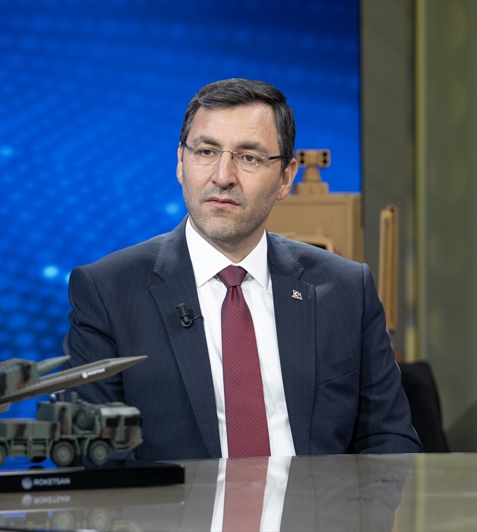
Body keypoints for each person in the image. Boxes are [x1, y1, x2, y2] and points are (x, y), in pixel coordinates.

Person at [63, 78, 422, 461]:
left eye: (249, 157)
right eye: (205, 151)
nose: (223, 176)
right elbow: (97, 458)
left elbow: (390, 441)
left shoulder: (348, 289)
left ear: (285, 178)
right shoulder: (107, 292)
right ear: (180, 163)